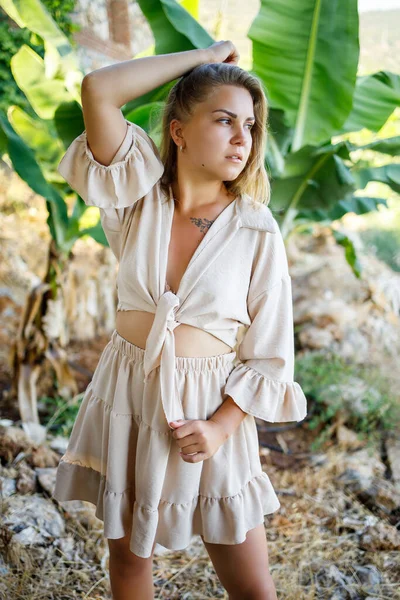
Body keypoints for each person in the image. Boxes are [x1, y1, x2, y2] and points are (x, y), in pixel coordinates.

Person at [52, 40, 307, 600]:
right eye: (224, 120)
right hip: (130, 391)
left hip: (209, 410)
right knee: (128, 558)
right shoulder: (137, 196)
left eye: (249, 125)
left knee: (252, 586)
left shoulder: (255, 229)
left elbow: (269, 350)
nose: (243, 138)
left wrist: (219, 426)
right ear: (178, 131)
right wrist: (208, 57)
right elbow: (99, 89)